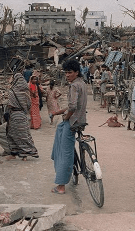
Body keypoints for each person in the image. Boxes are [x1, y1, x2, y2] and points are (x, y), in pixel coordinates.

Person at [50, 59, 87, 194]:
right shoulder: (82, 83)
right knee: (62, 138)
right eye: (66, 73)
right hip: (81, 120)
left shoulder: (73, 86)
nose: (67, 75)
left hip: (72, 122)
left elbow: (72, 106)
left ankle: (61, 186)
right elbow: (75, 105)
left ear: (76, 72)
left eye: (70, 73)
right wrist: (59, 111)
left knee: (64, 152)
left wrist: (66, 116)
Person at [6, 73, 39, 161]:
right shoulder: (26, 91)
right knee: (24, 135)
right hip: (23, 115)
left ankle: (14, 153)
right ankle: (25, 154)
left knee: (12, 134)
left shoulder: (12, 91)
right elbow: (29, 104)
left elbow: (9, 104)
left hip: (14, 115)